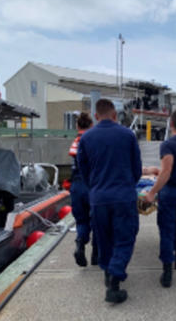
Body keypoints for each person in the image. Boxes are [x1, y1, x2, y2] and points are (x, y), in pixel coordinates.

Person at [77, 99, 142, 304]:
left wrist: (95, 188)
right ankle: (114, 281)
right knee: (125, 237)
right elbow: (137, 169)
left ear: (96, 116)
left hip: (98, 197)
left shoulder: (86, 139)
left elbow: (83, 170)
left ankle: (107, 271)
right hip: (123, 196)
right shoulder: (128, 135)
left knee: (104, 238)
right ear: (115, 115)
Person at [144, 109, 176, 288]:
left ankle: (167, 272)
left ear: (171, 124)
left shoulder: (168, 145)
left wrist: (152, 192)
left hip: (171, 192)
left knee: (167, 230)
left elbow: (166, 172)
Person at [68, 112, 97, 267]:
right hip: (92, 184)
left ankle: (80, 243)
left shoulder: (76, 141)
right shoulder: (93, 140)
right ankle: (96, 254)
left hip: (77, 184)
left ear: (78, 126)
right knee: (97, 219)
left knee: (81, 220)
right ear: (91, 125)